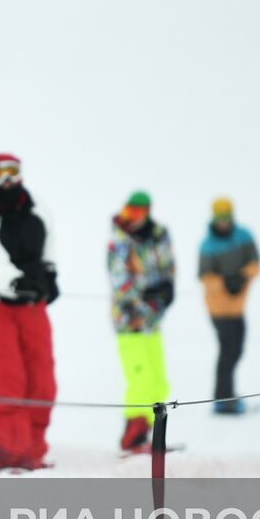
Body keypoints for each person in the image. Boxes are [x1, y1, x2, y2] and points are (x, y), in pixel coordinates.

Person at [0, 153, 59, 475]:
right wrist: (13, 281)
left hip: (31, 306)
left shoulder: (35, 209)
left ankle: (33, 454)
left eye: (12, 172)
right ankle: (9, 459)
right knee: (8, 381)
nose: (6, 179)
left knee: (41, 381)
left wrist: (49, 274)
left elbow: (48, 241)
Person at [107, 191, 175, 451]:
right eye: (129, 211)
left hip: (153, 320)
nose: (132, 217)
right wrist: (142, 296)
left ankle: (152, 436)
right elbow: (119, 281)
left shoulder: (158, 235)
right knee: (140, 379)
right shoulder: (119, 241)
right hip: (130, 321)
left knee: (158, 379)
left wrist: (166, 289)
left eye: (137, 212)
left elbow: (167, 266)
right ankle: (132, 437)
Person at [198, 199, 260, 415]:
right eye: (219, 218)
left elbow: (255, 262)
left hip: (238, 306)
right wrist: (225, 283)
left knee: (237, 349)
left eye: (226, 218)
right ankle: (223, 399)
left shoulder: (243, 236)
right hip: (218, 308)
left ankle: (227, 394)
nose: (223, 223)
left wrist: (242, 277)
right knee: (228, 350)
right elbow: (205, 276)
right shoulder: (208, 245)